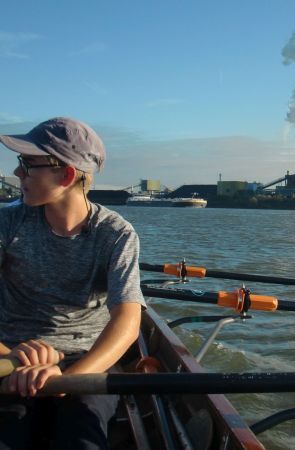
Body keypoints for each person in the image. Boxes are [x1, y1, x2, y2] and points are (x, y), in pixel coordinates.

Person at [0, 117, 146, 449]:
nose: (18, 174)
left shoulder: (116, 234)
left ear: (66, 175)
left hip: (86, 360)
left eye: (27, 164)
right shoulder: (7, 223)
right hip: (12, 356)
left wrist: (69, 379)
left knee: (83, 440)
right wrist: (15, 357)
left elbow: (127, 321)